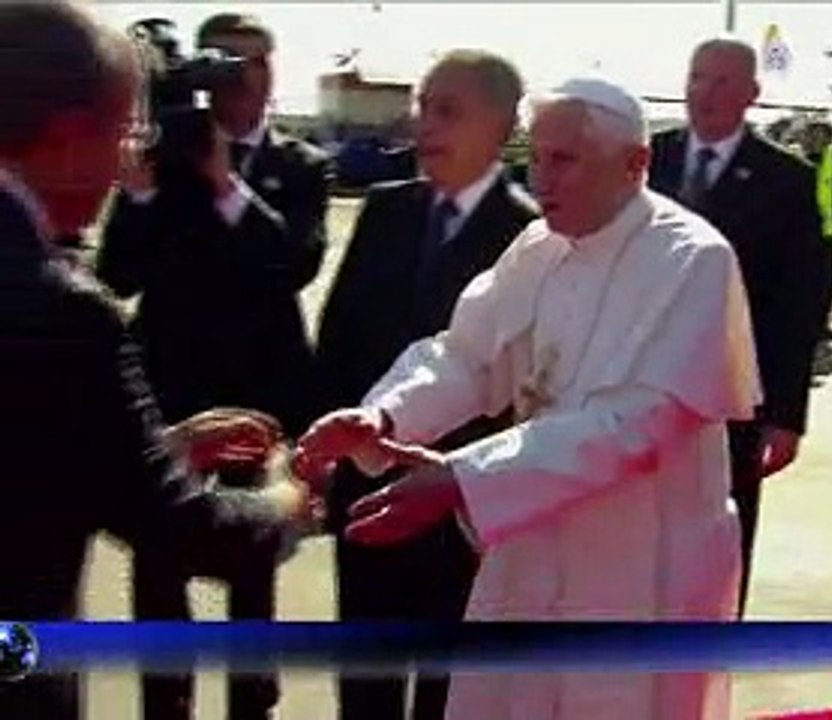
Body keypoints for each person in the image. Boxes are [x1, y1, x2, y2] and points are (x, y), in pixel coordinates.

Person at [297, 77, 761, 720]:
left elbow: (637, 423)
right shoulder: (539, 248)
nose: (542, 178)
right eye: (535, 157)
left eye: (564, 160)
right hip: (530, 544)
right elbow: (466, 356)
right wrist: (384, 414)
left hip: (639, 564)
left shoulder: (693, 259)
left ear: (635, 164)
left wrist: (463, 478)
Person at [0, 3, 310, 719]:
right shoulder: (64, 306)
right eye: (123, 133)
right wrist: (288, 502)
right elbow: (177, 523)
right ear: (73, 137)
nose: (125, 159)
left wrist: (154, 445)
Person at [95, 13, 331, 720]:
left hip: (259, 389)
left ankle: (251, 703)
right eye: (225, 63)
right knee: (159, 559)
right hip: (171, 387)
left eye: (254, 63)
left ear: (274, 72)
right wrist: (136, 193)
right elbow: (117, 276)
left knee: (252, 559)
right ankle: (165, 704)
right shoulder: (158, 167)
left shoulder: (299, 166)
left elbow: (294, 263)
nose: (241, 78)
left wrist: (227, 184)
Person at [313, 49, 538, 720]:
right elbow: (340, 335)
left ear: (501, 126)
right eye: (422, 108)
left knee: (453, 681)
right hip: (366, 486)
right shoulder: (387, 210)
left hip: (464, 501)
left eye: (448, 111)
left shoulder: (531, 236)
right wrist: (328, 448)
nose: (425, 126)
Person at [647, 37, 825, 614]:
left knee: (717, 554)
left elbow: (800, 305)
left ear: (752, 93)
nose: (706, 93)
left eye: (723, 82)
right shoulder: (643, 161)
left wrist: (786, 415)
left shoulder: (787, 181)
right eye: (698, 78)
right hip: (634, 391)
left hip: (732, 403)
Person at [802, 121, 832, 343]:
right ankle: (807, 322)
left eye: (825, 138)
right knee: (804, 280)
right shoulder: (798, 164)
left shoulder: (830, 163)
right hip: (804, 232)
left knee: (829, 279)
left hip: (827, 232)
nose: (820, 141)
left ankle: (821, 323)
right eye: (816, 136)